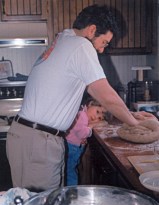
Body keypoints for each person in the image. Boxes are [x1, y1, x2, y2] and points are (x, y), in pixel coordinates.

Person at [6, 4, 154, 192]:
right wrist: (134, 123)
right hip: (39, 142)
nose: (101, 50)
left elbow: (96, 91)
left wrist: (131, 114)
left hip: (28, 137)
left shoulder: (64, 39)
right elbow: (105, 95)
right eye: (104, 42)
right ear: (92, 30)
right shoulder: (81, 45)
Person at [66, 100, 105, 186]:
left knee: (70, 170)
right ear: (90, 104)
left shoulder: (83, 115)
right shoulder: (82, 115)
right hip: (71, 148)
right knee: (70, 173)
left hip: (72, 146)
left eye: (100, 117)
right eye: (97, 111)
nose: (96, 117)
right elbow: (82, 133)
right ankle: (72, 193)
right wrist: (90, 127)